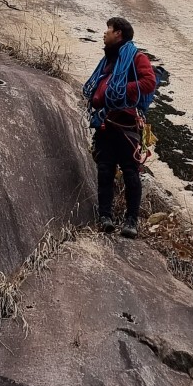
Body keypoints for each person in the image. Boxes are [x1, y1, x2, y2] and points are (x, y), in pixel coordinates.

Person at [82, 17, 158, 238]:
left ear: (119, 34)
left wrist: (120, 88)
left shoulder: (136, 57)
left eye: (108, 29)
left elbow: (149, 82)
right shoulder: (109, 60)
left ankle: (131, 221)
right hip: (106, 123)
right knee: (104, 170)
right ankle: (105, 217)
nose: (104, 33)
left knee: (131, 173)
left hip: (126, 124)